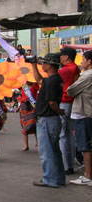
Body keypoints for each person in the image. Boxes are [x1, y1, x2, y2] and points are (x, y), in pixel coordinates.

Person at [32, 53, 65, 188]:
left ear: (50, 65)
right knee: (54, 150)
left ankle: (50, 179)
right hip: (51, 119)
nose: (42, 65)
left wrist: (58, 111)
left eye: (44, 63)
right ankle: (58, 178)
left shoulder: (52, 81)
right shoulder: (54, 79)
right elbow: (40, 81)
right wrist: (33, 65)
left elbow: (52, 102)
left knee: (47, 152)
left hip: (47, 118)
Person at [66, 50, 92, 186]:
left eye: (83, 59)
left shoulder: (87, 75)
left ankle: (88, 175)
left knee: (85, 145)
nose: (81, 62)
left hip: (83, 112)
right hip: (86, 112)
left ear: (89, 61)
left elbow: (70, 90)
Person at [58, 47, 80, 175]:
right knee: (70, 135)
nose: (60, 57)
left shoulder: (64, 70)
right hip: (72, 102)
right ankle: (70, 164)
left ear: (66, 57)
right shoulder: (76, 68)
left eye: (61, 55)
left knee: (63, 135)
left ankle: (66, 166)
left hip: (64, 102)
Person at [19, 81, 39, 151]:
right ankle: (26, 145)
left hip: (33, 106)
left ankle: (37, 142)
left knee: (34, 123)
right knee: (24, 125)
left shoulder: (35, 85)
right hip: (24, 106)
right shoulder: (22, 85)